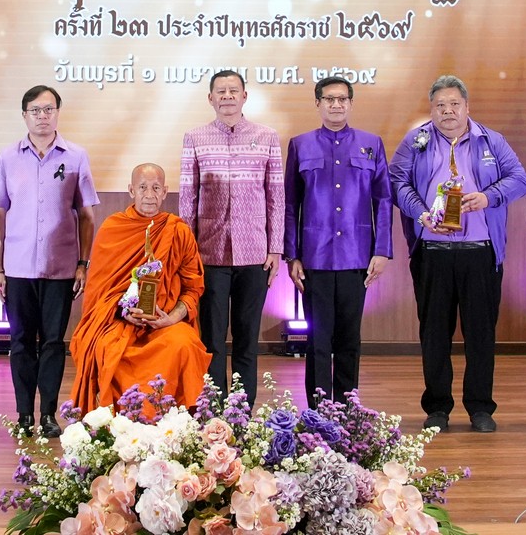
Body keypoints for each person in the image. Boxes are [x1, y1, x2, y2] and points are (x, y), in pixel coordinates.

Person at [390, 74, 526, 433]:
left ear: (467, 106)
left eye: (454, 104)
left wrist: (488, 197)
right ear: (431, 109)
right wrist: (421, 212)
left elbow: (519, 179)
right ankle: (437, 407)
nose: (447, 111)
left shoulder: (491, 140)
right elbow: (395, 182)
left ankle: (480, 407)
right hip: (433, 251)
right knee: (434, 333)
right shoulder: (416, 140)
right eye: (440, 105)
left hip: (480, 252)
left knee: (480, 333)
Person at [0, 85, 99, 436]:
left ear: (57, 114)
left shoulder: (76, 156)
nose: (42, 116)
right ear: (24, 116)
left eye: (49, 109)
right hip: (17, 268)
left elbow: (87, 216)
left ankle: (48, 414)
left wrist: (82, 263)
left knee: (52, 343)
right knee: (20, 342)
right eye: (35, 110)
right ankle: (23, 415)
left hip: (60, 267)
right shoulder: (7, 157)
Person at [282, 75, 392, 403]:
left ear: (351, 103)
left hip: (357, 256)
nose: (336, 104)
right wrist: (292, 255)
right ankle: (319, 412)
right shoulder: (300, 145)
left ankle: (346, 410)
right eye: (329, 99)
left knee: (349, 340)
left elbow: (383, 200)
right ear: (318, 104)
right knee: (317, 340)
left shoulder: (371, 143)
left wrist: (382, 251)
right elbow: (291, 203)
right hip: (314, 258)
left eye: (342, 99)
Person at [70, 163, 210, 412]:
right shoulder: (113, 229)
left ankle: (176, 419)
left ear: (165, 192)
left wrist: (171, 318)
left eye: (156, 188)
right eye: (143, 187)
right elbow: (99, 292)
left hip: (164, 323)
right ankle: (119, 418)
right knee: (106, 348)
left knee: (185, 343)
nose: (149, 194)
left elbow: (193, 289)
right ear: (131, 190)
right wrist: (123, 311)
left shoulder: (178, 231)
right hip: (120, 322)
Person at [179, 69, 283, 395]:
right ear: (210, 98)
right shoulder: (194, 138)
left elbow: (276, 196)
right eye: (220, 91)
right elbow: (187, 198)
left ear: (244, 96)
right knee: (211, 338)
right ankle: (213, 405)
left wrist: (276, 248)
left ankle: (241, 407)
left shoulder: (267, 136)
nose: (227, 96)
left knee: (246, 337)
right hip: (208, 254)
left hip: (255, 252)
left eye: (233, 90)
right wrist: (187, 251)